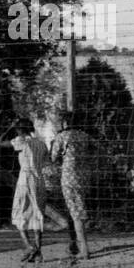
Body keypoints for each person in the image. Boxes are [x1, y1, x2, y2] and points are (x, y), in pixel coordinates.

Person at [0, 117, 49, 263]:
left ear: (19, 129)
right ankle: (38, 252)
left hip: (25, 179)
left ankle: (29, 246)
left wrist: (9, 128)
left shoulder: (21, 141)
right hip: (39, 180)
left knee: (20, 211)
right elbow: (46, 161)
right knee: (37, 213)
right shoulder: (41, 144)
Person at [50, 110, 94, 260]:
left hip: (69, 177)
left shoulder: (62, 136)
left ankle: (84, 249)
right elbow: (99, 150)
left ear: (65, 122)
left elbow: (53, 157)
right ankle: (77, 244)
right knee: (79, 209)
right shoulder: (85, 135)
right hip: (84, 176)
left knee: (76, 214)